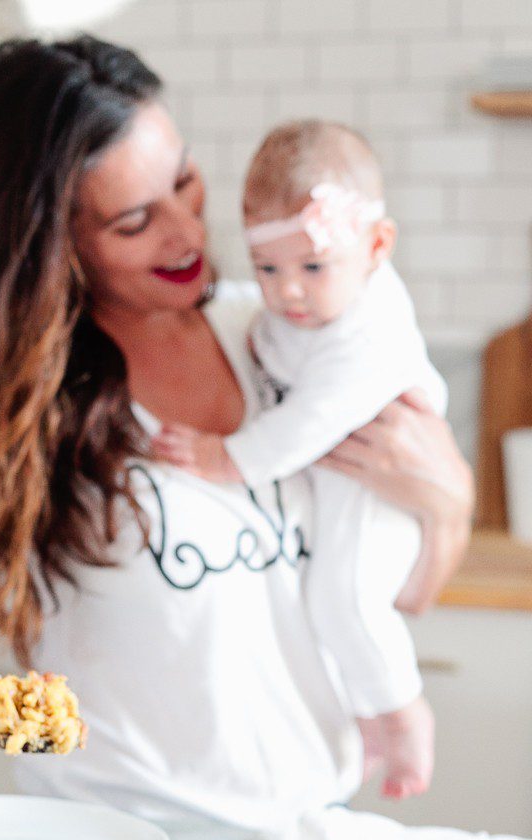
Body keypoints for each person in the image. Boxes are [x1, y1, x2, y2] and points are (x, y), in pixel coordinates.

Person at [0, 37, 473, 840]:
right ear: (51, 243)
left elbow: (405, 596)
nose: (188, 232)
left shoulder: (289, 337)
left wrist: (447, 508)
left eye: (183, 179)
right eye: (134, 220)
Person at [153, 120, 445, 802]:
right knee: (322, 601)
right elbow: (270, 336)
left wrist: (222, 456)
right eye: (268, 268)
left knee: (344, 598)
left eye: (312, 267)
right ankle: (370, 717)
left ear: (376, 247)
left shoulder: (370, 335)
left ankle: (405, 716)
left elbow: (299, 428)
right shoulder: (307, 307)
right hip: (345, 483)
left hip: (381, 498)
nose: (287, 292)